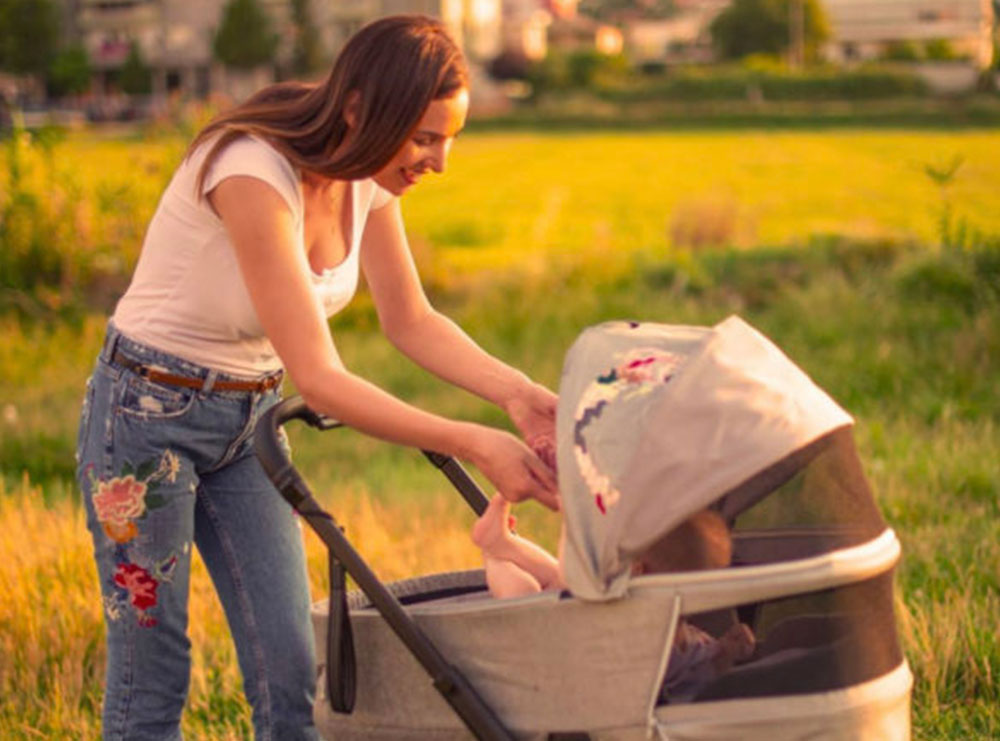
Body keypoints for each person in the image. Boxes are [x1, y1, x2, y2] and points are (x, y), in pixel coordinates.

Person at [75, 15, 559, 740]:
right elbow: (323, 379)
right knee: (154, 672)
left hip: (248, 424)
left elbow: (411, 320)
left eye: (449, 138)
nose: (440, 161)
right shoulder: (250, 170)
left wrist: (518, 393)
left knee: (291, 666)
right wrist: (475, 441)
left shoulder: (368, 177)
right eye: (425, 137)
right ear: (362, 110)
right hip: (146, 416)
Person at [472, 500, 754, 701]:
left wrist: (726, 651)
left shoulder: (658, 636)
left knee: (537, 594)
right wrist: (727, 652)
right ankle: (498, 550)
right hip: (560, 650)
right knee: (532, 598)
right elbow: (701, 668)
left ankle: (498, 551)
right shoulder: (660, 635)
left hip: (561, 652)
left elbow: (697, 667)